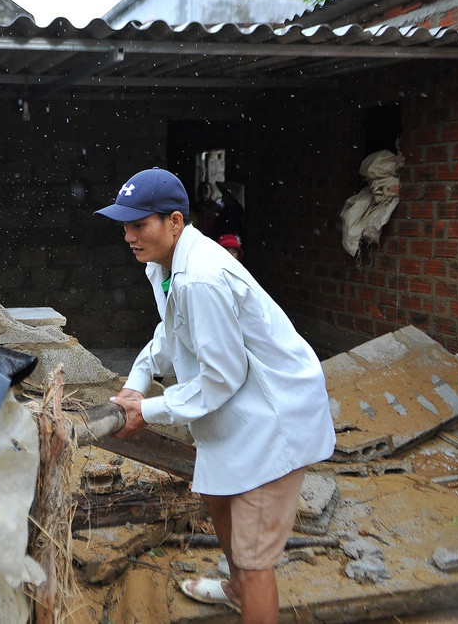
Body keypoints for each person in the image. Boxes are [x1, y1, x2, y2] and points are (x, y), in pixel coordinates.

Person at [94, 167, 335, 623]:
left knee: (256, 559)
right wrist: (137, 381)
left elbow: (222, 377)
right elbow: (171, 334)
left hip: (272, 417)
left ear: (175, 222)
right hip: (238, 411)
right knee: (217, 494)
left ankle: (248, 587)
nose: (128, 236)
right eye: (124, 225)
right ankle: (236, 588)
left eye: (139, 224)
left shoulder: (200, 277)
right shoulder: (163, 267)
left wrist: (147, 410)